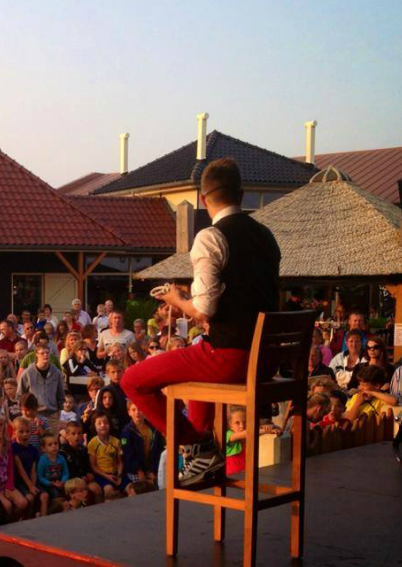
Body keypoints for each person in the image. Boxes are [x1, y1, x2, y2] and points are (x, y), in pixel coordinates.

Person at [121, 158, 280, 487]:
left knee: (132, 380)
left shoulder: (210, 237)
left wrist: (176, 300)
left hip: (231, 358)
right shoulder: (267, 236)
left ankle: (198, 446)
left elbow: (205, 310)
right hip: (266, 359)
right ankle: (201, 454)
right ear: (242, 193)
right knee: (197, 367)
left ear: (203, 199)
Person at [16, 344, 64, 431]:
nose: (45, 355)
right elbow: (20, 395)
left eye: (47, 353)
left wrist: (59, 412)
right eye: (42, 353)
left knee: (51, 442)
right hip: (33, 415)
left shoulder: (56, 373)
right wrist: (26, 414)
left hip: (52, 415)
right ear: (36, 355)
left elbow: (60, 394)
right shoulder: (28, 373)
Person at [87, 411, 125, 500]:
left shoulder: (116, 441)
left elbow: (120, 462)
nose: (103, 425)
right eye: (99, 423)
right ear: (94, 426)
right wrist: (108, 476)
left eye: (106, 423)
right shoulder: (93, 443)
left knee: (130, 488)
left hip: (116, 473)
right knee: (109, 490)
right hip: (102, 475)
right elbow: (93, 466)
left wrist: (119, 474)